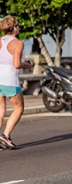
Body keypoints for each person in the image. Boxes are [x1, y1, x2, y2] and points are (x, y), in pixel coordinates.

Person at [0, 15, 33, 149]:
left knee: (0, 109)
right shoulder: (18, 43)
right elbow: (17, 64)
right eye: (18, 25)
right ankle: (6, 135)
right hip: (10, 79)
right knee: (19, 108)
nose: (19, 28)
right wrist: (27, 64)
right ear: (13, 28)